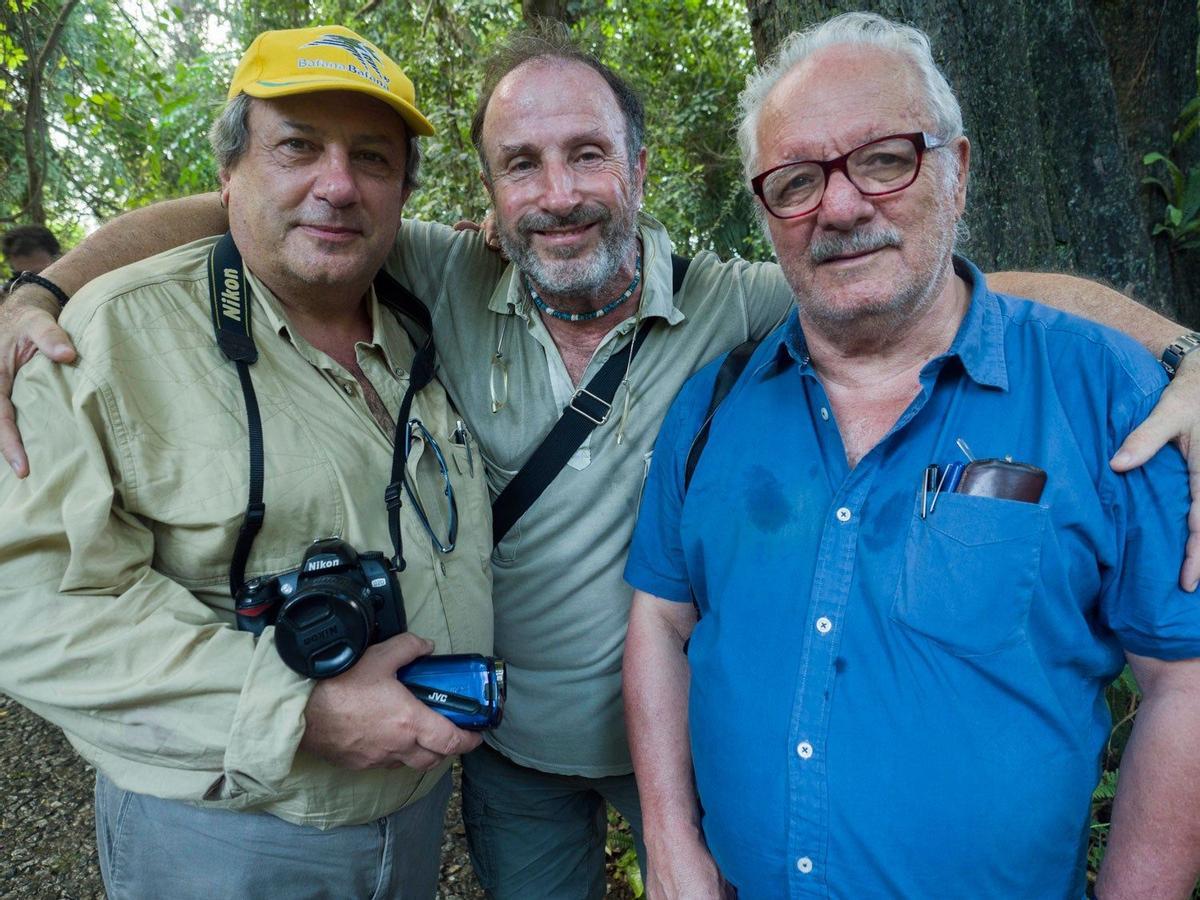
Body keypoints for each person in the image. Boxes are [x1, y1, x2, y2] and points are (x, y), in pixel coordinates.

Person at [3, 22, 1200, 900]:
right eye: (522, 164)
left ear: (639, 171)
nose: (557, 194)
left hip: (665, 749)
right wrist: (46, 286)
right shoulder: (435, 274)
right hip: (505, 751)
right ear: (483, 196)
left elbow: (919, 281)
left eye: (587, 156)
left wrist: (1176, 352)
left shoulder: (737, 308)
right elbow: (249, 212)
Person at [623, 12, 1200, 899]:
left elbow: (1185, 681)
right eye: (797, 180)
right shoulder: (712, 407)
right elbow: (661, 622)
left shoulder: (1106, 396)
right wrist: (668, 843)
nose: (842, 206)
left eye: (885, 159)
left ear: (958, 172)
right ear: (768, 214)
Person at [0, 25, 494, 899]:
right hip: (224, 832)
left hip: (415, 813)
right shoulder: (104, 340)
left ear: (404, 192)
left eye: (372, 158)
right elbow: (35, 607)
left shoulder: (426, 308)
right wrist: (301, 709)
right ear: (228, 174)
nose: (336, 185)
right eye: (297, 147)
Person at [3, 224, 60, 291]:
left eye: (40, 276)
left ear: (59, 259)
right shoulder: (12, 289)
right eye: (21, 277)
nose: (30, 284)